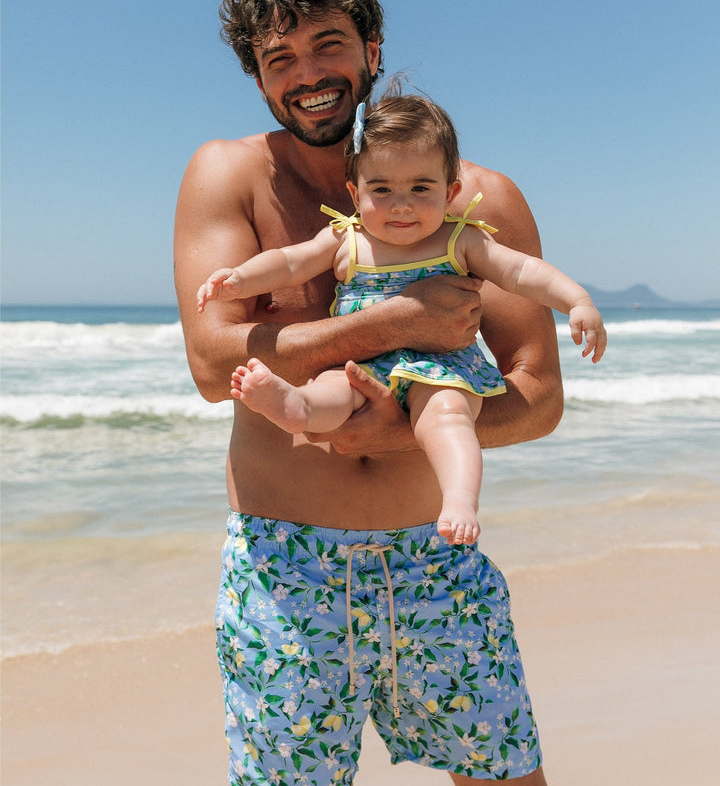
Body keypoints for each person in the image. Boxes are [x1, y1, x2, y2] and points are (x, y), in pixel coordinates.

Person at [174, 0, 563, 786]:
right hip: (286, 565)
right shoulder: (229, 177)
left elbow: (536, 395)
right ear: (258, 78)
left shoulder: (479, 201)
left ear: (372, 48)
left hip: (437, 562)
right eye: (280, 59)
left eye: (326, 45)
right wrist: (395, 323)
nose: (307, 75)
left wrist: (400, 440)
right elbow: (217, 368)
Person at [196, 91, 606, 547]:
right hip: (362, 365)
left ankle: (459, 499)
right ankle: (297, 408)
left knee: (448, 416)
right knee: (332, 389)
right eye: (382, 190)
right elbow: (289, 263)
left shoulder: (461, 240)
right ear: (356, 193)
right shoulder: (346, 237)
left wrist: (577, 300)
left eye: (420, 189)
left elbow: (522, 271)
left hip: (442, 369)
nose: (401, 205)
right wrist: (238, 279)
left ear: (451, 192)